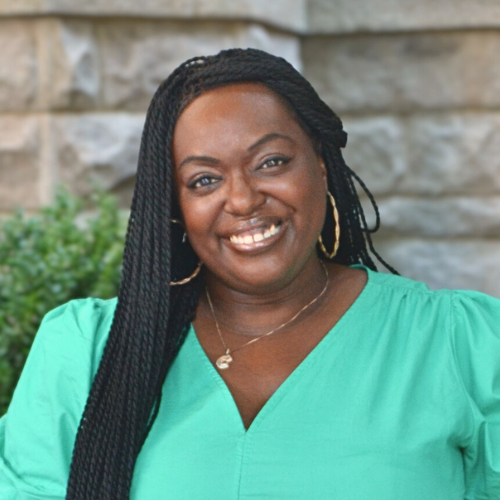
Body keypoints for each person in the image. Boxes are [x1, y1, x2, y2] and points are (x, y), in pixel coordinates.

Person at [0, 48, 499, 500]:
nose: (241, 200)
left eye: (270, 162)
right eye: (204, 180)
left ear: (321, 165)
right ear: (176, 207)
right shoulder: (85, 353)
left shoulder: (461, 347)